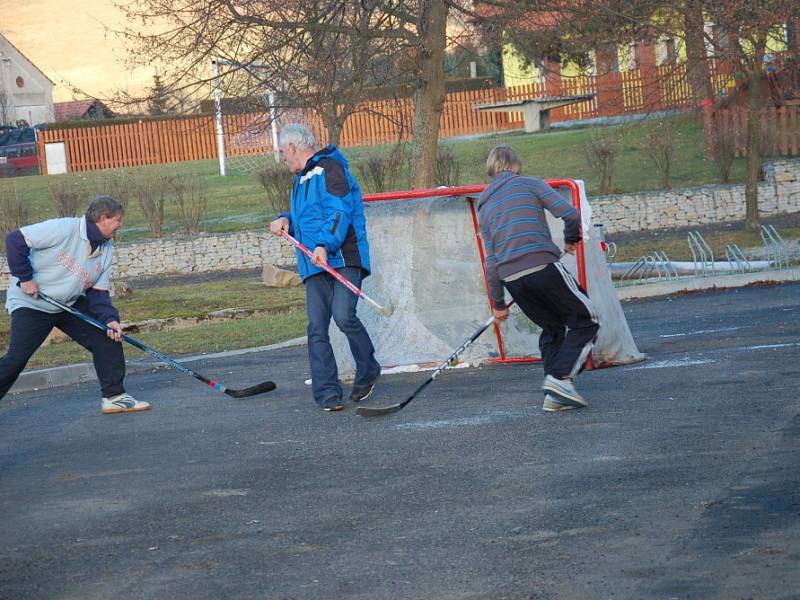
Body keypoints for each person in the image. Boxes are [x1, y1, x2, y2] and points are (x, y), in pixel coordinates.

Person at [477, 144, 600, 412]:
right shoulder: (531, 184)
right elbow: (570, 213)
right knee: (586, 320)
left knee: (552, 327)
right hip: (541, 265)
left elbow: (491, 261)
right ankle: (560, 379)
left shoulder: (483, 206)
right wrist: (571, 240)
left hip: (511, 278)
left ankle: (554, 396)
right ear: (516, 166)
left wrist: (497, 303)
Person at [0, 196, 150, 414]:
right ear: (103, 218)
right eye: (118, 220)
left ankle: (114, 397)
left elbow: (98, 292)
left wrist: (110, 319)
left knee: (106, 335)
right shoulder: (64, 228)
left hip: (68, 303)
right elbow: (15, 239)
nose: (121, 225)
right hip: (32, 302)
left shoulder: (105, 248)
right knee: (16, 359)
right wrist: (25, 278)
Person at [269, 124, 381, 412]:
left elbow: (338, 211)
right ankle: (327, 393)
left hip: (343, 257)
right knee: (317, 327)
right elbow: (305, 216)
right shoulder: (301, 179)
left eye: (283, 152)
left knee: (344, 317)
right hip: (313, 264)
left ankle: (368, 369)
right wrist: (285, 219)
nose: (283, 159)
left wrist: (324, 245)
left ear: (293, 147)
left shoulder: (331, 168)